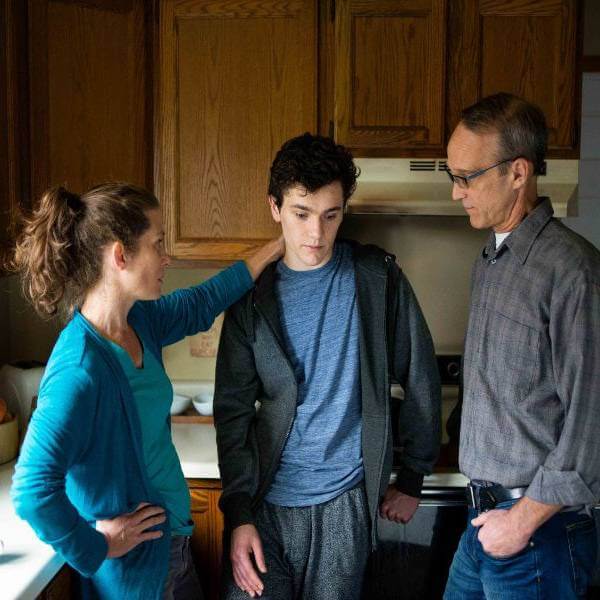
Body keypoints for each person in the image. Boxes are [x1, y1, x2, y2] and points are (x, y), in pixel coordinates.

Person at [9, 182, 282, 599]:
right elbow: (31, 489)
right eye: (157, 243)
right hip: (133, 574)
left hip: (172, 545)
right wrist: (97, 545)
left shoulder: (141, 322)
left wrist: (279, 246)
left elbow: (201, 302)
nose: (166, 257)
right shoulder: (80, 369)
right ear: (121, 255)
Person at [214, 133, 441, 600]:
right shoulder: (250, 299)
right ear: (275, 207)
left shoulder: (376, 278)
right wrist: (238, 514)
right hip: (265, 505)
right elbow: (232, 412)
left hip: (345, 504)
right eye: (301, 214)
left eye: (330, 215)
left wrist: (414, 476)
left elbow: (419, 376)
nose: (316, 234)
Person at [444, 93, 600, 599]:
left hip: (539, 534)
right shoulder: (489, 261)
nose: (456, 193)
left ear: (518, 173)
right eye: (453, 176)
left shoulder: (573, 271)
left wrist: (522, 523)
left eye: (467, 177)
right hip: (484, 525)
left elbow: (591, 422)